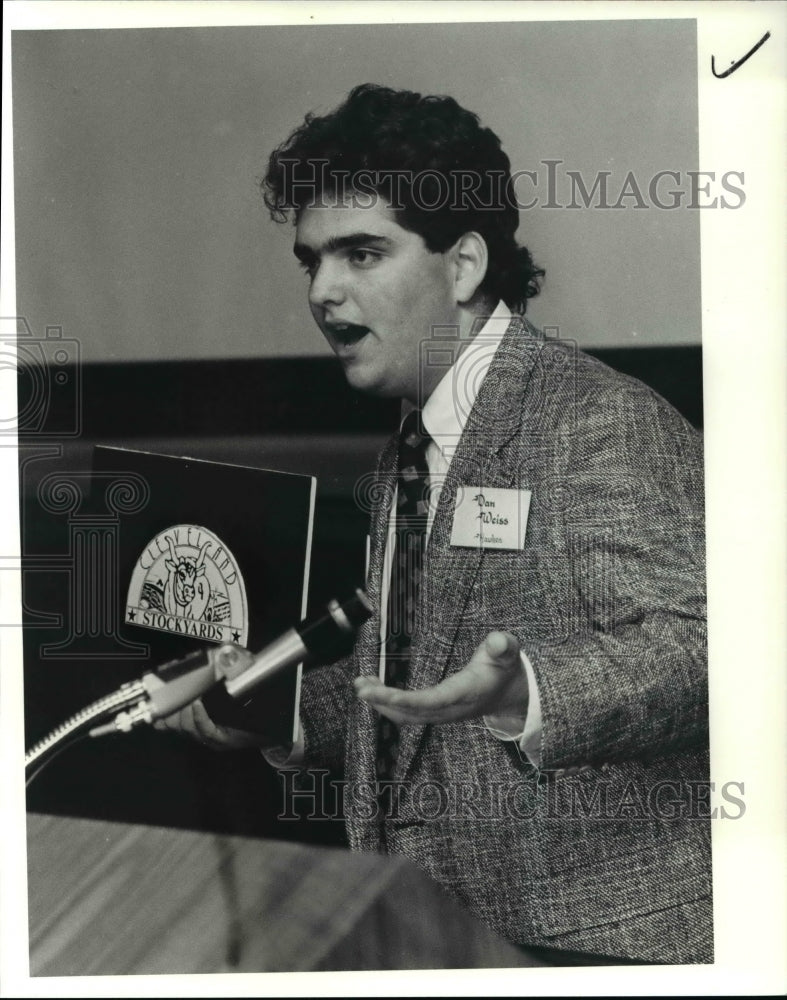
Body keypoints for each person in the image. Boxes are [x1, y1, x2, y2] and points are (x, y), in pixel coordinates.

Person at [161, 84, 712, 964]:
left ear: (461, 266)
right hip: (432, 936)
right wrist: (278, 711)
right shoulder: (408, 456)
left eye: (362, 254)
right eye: (312, 262)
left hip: (596, 952)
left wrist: (530, 689)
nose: (324, 292)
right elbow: (415, 697)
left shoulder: (594, 418)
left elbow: (709, 650)